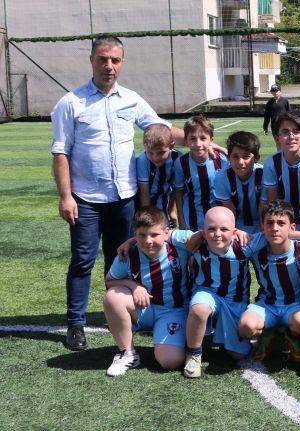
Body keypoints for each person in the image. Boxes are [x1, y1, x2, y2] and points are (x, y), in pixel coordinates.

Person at [51, 35, 184, 351]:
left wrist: (202, 141)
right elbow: (60, 151)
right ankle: (75, 324)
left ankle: (124, 317)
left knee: (121, 259)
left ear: (122, 63)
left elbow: (161, 128)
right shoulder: (71, 103)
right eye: (103, 59)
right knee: (82, 261)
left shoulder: (131, 100)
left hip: (124, 199)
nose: (109, 66)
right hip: (85, 199)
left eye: (115, 60)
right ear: (92, 60)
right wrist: (66, 196)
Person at [103, 206, 189, 376]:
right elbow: (109, 281)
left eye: (154, 235)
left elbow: (207, 235)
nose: (148, 241)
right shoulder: (127, 254)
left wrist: (236, 232)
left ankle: (175, 337)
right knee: (113, 297)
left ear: (166, 233)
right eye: (142, 235)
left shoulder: (180, 248)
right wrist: (133, 285)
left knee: (170, 362)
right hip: (144, 309)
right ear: (135, 234)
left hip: (172, 310)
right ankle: (127, 353)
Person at [170, 206, 254, 378]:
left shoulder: (244, 243)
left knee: (239, 355)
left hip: (234, 300)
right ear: (203, 229)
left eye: (224, 229)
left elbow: (275, 237)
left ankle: (223, 332)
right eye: (211, 229)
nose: (217, 234)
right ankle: (193, 354)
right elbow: (162, 233)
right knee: (199, 307)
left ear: (234, 231)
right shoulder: (195, 239)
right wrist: (129, 242)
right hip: (207, 293)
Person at [237, 200, 300, 364]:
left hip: (295, 305)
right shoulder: (256, 249)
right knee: (245, 327)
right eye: (269, 223)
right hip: (266, 305)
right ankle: (268, 334)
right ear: (262, 227)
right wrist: (236, 231)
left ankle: (292, 336)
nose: (275, 228)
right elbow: (226, 240)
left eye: (281, 223)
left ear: (292, 227)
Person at [262, 112, 300, 234]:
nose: (291, 136)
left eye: (296, 131)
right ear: (277, 138)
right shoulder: (271, 163)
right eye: (285, 132)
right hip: (283, 223)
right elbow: (272, 202)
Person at [174, 115, 229, 231]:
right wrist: (181, 221)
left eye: (203, 138)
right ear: (186, 140)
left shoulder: (222, 159)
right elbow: (179, 193)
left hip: (219, 220)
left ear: (211, 140)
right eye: (193, 139)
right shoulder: (181, 163)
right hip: (191, 220)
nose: (198, 144)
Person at [214, 131, 264, 234]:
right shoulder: (222, 177)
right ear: (228, 158)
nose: (240, 162)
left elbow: (265, 206)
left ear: (256, 158)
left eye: (246, 156)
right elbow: (229, 211)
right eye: (235, 156)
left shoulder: (263, 174)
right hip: (236, 226)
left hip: (262, 224)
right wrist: (235, 232)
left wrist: (263, 231)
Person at [136, 124, 181, 225]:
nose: (155, 158)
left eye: (161, 152)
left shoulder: (177, 158)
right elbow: (144, 193)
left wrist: (171, 211)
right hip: (142, 205)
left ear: (171, 146)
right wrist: (146, 219)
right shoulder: (143, 160)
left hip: (163, 203)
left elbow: (175, 188)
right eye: (150, 153)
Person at [263, 83, 291, 149]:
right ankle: (280, 154)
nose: (275, 92)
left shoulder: (285, 101)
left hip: (284, 126)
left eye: (276, 91)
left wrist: (290, 125)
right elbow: (267, 116)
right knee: (278, 143)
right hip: (274, 127)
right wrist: (265, 127)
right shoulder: (269, 103)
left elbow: (289, 114)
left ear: (280, 91)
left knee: (285, 143)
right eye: (273, 91)